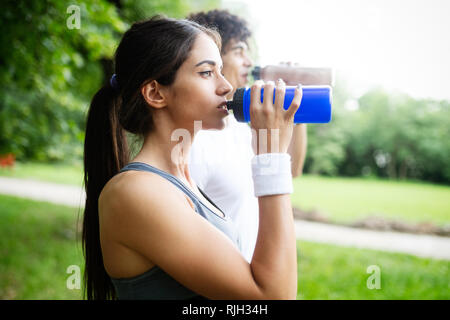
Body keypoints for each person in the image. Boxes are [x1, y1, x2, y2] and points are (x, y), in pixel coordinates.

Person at [82, 15, 302, 300]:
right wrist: (271, 157)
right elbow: (272, 297)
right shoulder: (134, 192)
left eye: (221, 71)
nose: (226, 87)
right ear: (155, 93)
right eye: (206, 73)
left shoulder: (180, 182)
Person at [187, 10, 308, 262]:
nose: (249, 62)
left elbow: (292, 168)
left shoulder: (238, 124)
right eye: (239, 51)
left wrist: (294, 106)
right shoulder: (194, 138)